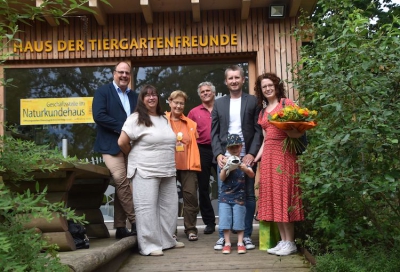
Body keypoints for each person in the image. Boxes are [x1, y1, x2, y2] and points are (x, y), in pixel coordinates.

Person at [118, 85, 185, 256]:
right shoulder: (135, 118)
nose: (151, 98)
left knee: (169, 208)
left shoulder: (164, 118)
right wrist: (133, 155)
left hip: (167, 170)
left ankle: (167, 240)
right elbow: (122, 142)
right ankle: (149, 245)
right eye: (147, 95)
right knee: (146, 208)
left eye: (154, 94)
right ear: (142, 99)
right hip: (145, 170)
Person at [211, 65, 262, 250]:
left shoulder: (253, 101)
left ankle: (246, 235)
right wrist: (217, 154)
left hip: (246, 155)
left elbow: (258, 131)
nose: (234, 81)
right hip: (224, 156)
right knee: (223, 195)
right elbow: (214, 132)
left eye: (237, 77)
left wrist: (251, 153)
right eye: (230, 78)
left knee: (248, 195)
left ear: (243, 79)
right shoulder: (219, 103)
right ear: (226, 81)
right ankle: (222, 237)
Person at [253, 73, 304, 256]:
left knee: (284, 196)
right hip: (268, 157)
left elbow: (298, 131)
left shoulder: (286, 104)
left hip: (284, 154)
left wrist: (291, 132)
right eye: (263, 86)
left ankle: (291, 242)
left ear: (276, 86)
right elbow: (266, 139)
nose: (267, 89)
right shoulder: (263, 111)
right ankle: (283, 241)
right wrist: (256, 157)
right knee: (274, 198)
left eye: (270, 85)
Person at [92, 61, 137, 239]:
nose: (124, 76)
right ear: (114, 74)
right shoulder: (103, 92)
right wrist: (124, 127)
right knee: (121, 181)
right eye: (121, 72)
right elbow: (99, 116)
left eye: (127, 73)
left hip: (130, 147)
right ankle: (136, 221)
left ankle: (119, 226)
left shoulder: (134, 96)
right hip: (110, 146)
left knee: (124, 186)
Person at [166, 90, 201, 242]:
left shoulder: (191, 124)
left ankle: (191, 229)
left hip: (188, 165)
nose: (179, 106)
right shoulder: (162, 120)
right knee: (169, 199)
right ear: (170, 102)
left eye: (181, 103)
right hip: (168, 165)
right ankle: (170, 231)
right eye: (176, 102)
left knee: (191, 197)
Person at [187, 82, 217, 235]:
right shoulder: (193, 112)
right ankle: (209, 222)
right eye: (202, 92)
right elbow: (187, 133)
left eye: (208, 91)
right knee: (204, 187)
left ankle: (228, 221)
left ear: (213, 92)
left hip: (221, 149)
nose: (205, 93)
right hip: (202, 150)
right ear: (200, 95)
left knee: (226, 185)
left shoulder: (221, 107)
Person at [219, 134, 255, 254]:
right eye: (231, 148)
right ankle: (227, 242)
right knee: (225, 220)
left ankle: (240, 242)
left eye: (236, 147)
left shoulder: (244, 160)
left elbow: (252, 175)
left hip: (240, 197)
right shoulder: (224, 160)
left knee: (240, 220)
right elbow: (222, 178)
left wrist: (244, 168)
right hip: (225, 197)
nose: (234, 149)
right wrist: (227, 167)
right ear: (227, 149)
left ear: (241, 146)